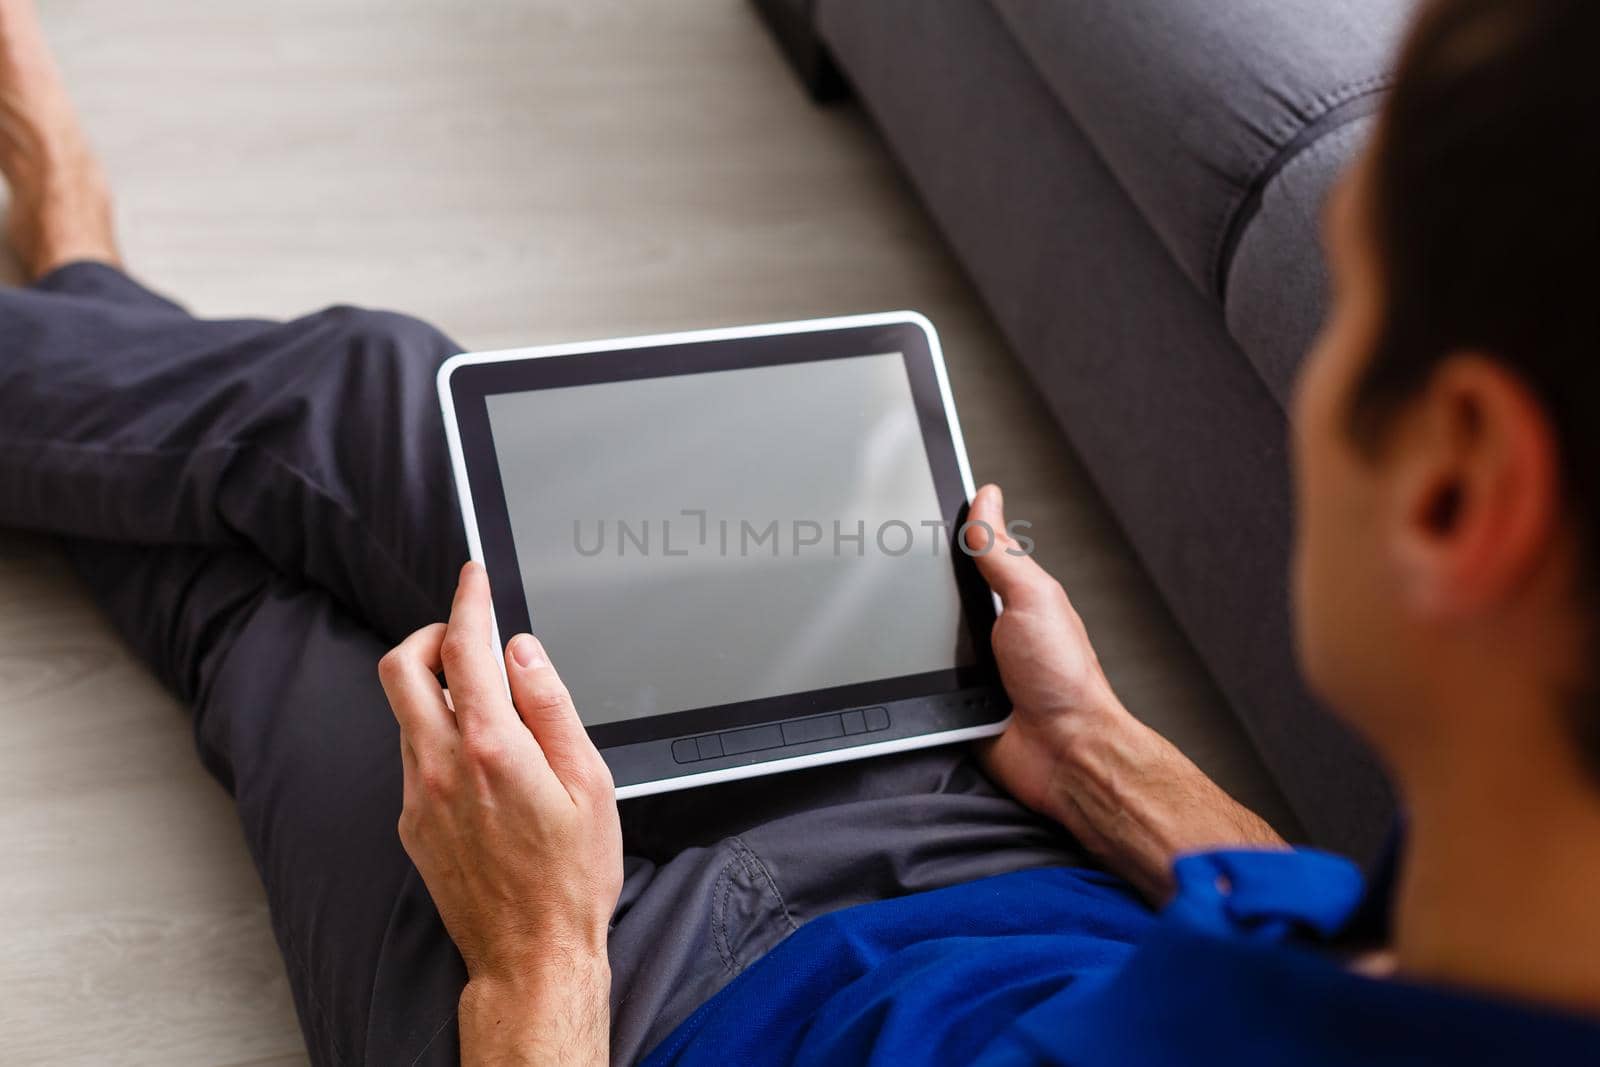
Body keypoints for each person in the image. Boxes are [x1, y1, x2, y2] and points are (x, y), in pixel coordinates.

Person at [4, 0, 1599, 1060]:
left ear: (1463, 486)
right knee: (381, 397)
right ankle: (81, 295)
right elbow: (1326, 954)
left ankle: (78, 277)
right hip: (988, 835)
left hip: (639, 1007)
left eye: (1352, 306)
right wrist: (1096, 747)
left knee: (281, 631)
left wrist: (537, 960)